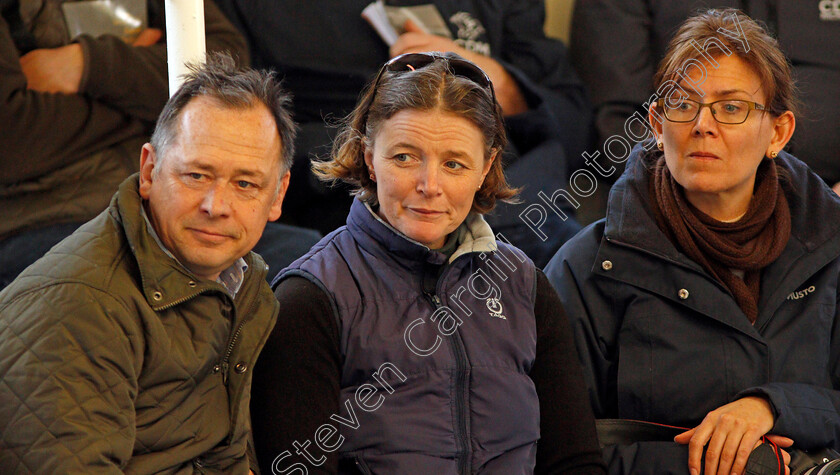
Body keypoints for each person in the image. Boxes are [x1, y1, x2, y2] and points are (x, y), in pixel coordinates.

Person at [250, 52, 606, 474]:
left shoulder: (525, 287)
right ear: (369, 156)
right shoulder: (309, 297)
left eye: (454, 164)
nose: (429, 186)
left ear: (486, 167)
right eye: (404, 157)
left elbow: (575, 462)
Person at [546, 9, 840, 475]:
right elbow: (557, 449)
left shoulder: (831, 250)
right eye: (683, 104)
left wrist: (774, 407)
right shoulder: (585, 269)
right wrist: (728, 464)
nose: (703, 125)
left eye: (731, 107)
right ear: (657, 126)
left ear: (778, 133)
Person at [0, 54, 293, 473]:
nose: (216, 206)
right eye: (196, 176)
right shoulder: (80, 307)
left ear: (278, 195)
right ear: (149, 170)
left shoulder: (245, 285)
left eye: (245, 184)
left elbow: (227, 458)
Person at [215, 0, 591, 267]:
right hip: (346, 200)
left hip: (520, 206)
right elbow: (231, 132)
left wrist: (497, 81)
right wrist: (380, 154)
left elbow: (576, 126)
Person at [0, 0, 319, 289]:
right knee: (144, 299)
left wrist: (89, 64)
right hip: (43, 218)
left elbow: (227, 63)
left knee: (309, 269)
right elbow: (13, 141)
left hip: (171, 206)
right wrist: (156, 105)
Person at [571, 0, 840, 189]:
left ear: (780, 131)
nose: (704, 125)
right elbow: (616, 126)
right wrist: (711, 186)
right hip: (682, 188)